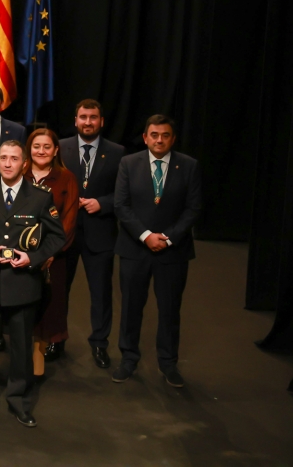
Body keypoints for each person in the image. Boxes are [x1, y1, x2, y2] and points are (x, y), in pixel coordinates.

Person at [0, 140, 64, 428]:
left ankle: (19, 401)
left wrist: (33, 258)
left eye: (14, 158)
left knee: (21, 347)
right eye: (3, 158)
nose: (7, 163)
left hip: (23, 283)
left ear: (24, 164)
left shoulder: (40, 197)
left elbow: (56, 237)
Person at [112, 115, 203, 388]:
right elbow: (121, 205)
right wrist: (145, 236)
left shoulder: (189, 166)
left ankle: (168, 363)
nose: (159, 140)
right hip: (134, 249)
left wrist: (169, 238)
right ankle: (128, 359)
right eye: (154, 135)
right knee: (130, 308)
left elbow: (193, 208)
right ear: (145, 137)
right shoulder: (129, 163)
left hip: (172, 252)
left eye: (165, 135)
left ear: (172, 139)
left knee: (170, 310)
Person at [59, 99, 126, 369]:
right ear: (75, 120)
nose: (88, 122)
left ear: (101, 121)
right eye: (83, 117)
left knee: (100, 293)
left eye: (93, 117)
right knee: (59, 290)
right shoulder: (60, 148)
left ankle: (99, 344)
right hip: (65, 231)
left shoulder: (119, 152)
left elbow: (124, 192)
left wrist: (104, 203)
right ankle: (56, 339)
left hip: (101, 231)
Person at [23, 128, 79, 373]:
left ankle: (50, 344)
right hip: (21, 253)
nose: (41, 151)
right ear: (29, 149)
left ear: (56, 150)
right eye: (36, 146)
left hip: (53, 255)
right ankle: (22, 342)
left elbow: (68, 220)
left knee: (52, 301)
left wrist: (49, 252)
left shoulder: (66, 178)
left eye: (47, 146)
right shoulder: (19, 174)